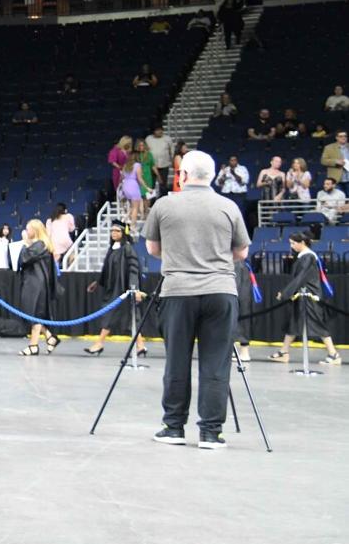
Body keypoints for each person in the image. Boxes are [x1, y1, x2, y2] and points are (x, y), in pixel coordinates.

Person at [143, 150, 251, 448]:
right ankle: (211, 433)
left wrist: (181, 256)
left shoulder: (164, 205)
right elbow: (242, 252)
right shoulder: (228, 206)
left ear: (183, 175)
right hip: (220, 290)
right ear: (213, 176)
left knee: (177, 361)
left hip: (178, 291)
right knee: (216, 362)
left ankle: (173, 427)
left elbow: (152, 249)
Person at [267, 232, 340, 366]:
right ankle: (284, 352)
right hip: (302, 295)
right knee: (294, 323)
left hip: (310, 296)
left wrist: (285, 293)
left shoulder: (308, 257)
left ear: (302, 243)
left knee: (317, 324)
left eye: (293, 243)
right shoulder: (304, 256)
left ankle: (333, 354)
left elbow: (300, 278)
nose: (291, 246)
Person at [84, 220, 147, 356]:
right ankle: (141, 346)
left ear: (123, 233)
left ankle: (99, 343)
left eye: (117, 231)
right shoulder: (112, 249)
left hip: (124, 289)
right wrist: (98, 282)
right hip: (113, 288)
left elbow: (134, 269)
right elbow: (107, 269)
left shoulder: (127, 249)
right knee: (131, 317)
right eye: (112, 230)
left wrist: (134, 289)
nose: (113, 233)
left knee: (112, 315)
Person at [16, 220, 60, 356]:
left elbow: (24, 258)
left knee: (35, 314)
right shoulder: (40, 245)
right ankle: (50, 337)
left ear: (34, 230)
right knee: (34, 313)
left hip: (36, 284)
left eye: (28, 229)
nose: (26, 231)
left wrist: (25, 243)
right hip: (35, 282)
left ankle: (33, 345)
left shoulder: (39, 245)